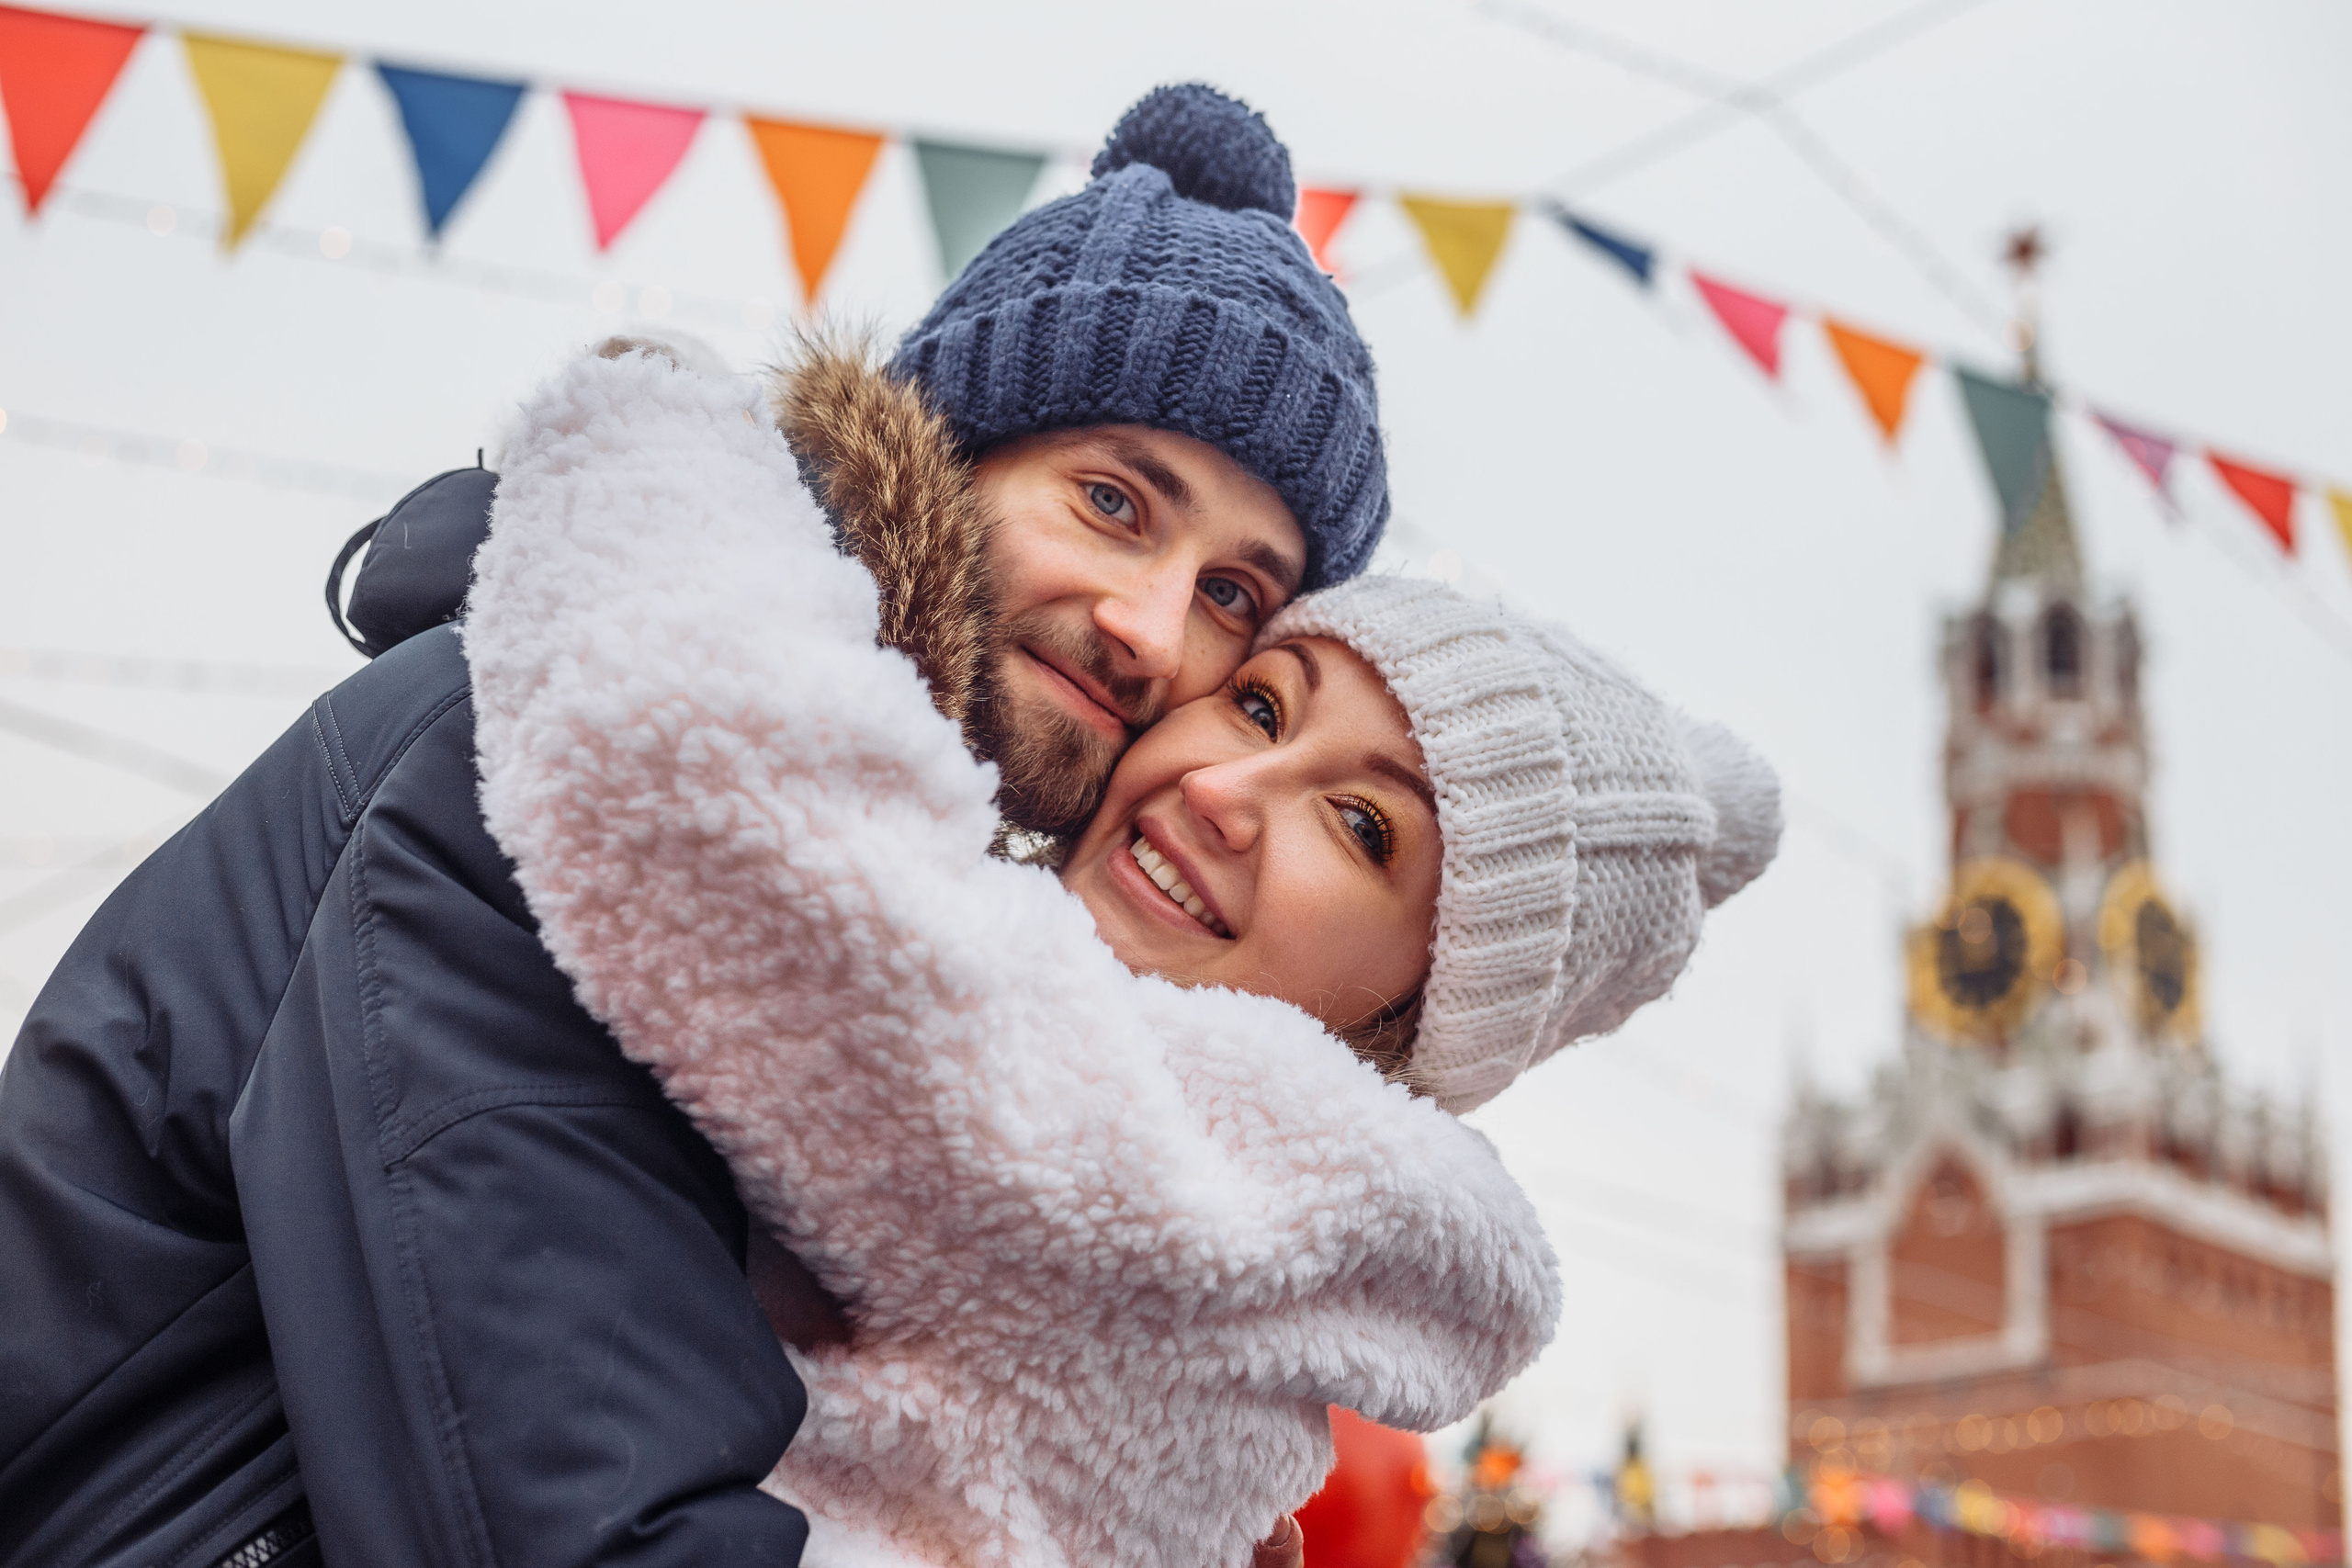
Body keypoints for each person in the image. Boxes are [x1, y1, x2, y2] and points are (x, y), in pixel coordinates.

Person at [0, 86, 1383, 1568]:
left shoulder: (879, 905)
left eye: (1234, 594)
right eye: (1113, 502)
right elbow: (576, 1518)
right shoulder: (607, 744)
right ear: (948, 456)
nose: (1151, 630)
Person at [456, 342, 1781, 1568]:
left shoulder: (1200, 1165)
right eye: (1259, 703)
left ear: (1424, 1008)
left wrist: (658, 440)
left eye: (1363, 825)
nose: (1226, 786)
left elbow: (710, 823)